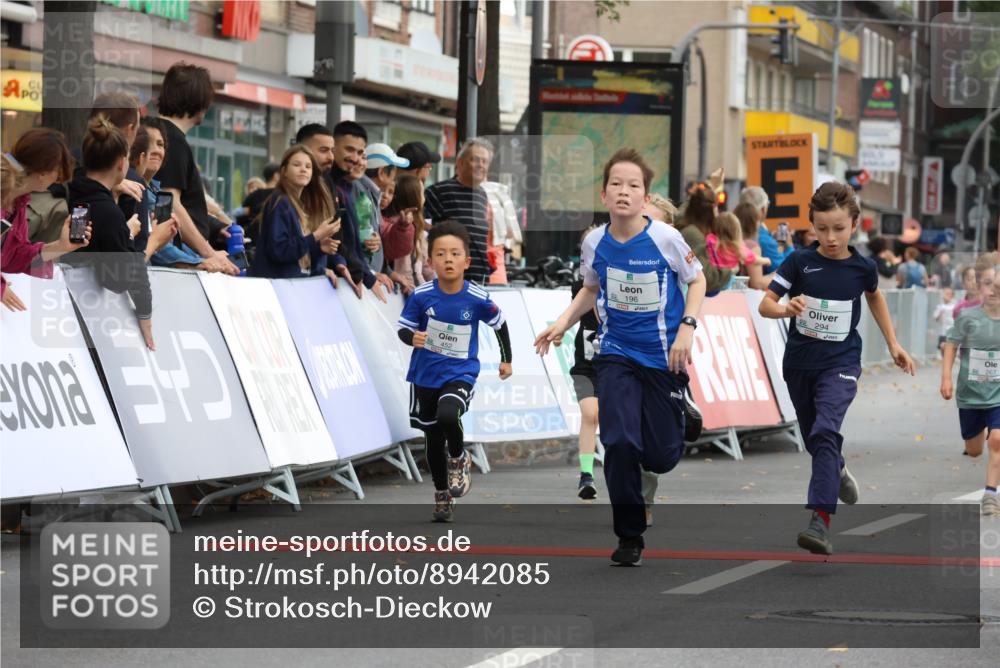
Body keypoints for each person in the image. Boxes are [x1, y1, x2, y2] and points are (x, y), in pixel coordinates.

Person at [534, 148, 707, 566]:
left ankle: (679, 412)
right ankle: (629, 535)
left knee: (661, 456)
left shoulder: (666, 238)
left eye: (634, 186)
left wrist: (687, 327)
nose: (624, 192)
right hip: (616, 354)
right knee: (620, 441)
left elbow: (697, 280)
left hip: (663, 359)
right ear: (604, 193)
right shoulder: (595, 242)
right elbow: (590, 289)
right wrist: (562, 322)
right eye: (617, 184)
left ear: (645, 197)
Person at [758, 181, 916, 556]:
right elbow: (765, 304)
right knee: (817, 437)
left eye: (839, 228)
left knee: (827, 429)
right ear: (812, 224)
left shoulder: (863, 268)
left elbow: (875, 298)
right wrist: (785, 309)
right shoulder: (799, 261)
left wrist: (893, 344)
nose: (830, 237)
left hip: (842, 363)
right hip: (799, 364)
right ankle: (838, 471)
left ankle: (820, 521)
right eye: (822, 228)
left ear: (855, 225)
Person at [397, 220, 513, 522]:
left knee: (450, 414)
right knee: (433, 440)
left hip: (461, 372)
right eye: (441, 254)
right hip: (425, 375)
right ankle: (442, 494)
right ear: (431, 260)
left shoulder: (476, 297)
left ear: (467, 261)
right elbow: (403, 329)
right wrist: (414, 338)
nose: (448, 259)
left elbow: (499, 323)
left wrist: (507, 359)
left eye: (455, 254)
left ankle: (460, 458)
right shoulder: (422, 296)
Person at [67, 116, 171, 351]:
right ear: (122, 164)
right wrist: (129, 233)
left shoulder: (72, 194)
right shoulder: (111, 214)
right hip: (88, 327)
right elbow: (118, 280)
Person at [154, 62, 238, 275]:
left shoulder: (160, 134)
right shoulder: (173, 140)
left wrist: (214, 227)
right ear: (198, 99)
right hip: (182, 261)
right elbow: (171, 204)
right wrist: (209, 253)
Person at [940, 252, 1000, 515]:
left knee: (997, 440)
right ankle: (975, 444)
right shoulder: (968, 317)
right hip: (971, 395)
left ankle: (990, 495)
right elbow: (951, 344)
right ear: (978, 284)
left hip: (998, 394)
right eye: (987, 283)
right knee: (974, 450)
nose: (993, 290)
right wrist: (945, 378)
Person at [1, 150, 89, 311]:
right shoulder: (13, 201)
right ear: (42, 173)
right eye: (57, 173)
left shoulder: (18, 204)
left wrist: (61, 246)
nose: (57, 180)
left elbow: (15, 256)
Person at [250, 145, 342, 281]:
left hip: (289, 285)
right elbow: (279, 251)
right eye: (296, 164)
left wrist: (318, 249)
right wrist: (316, 236)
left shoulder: (297, 205)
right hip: (276, 289)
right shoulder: (280, 202)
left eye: (308, 166)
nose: (303, 169)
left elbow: (296, 258)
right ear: (284, 171)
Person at [326, 121, 390, 302]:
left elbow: (350, 240)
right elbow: (336, 241)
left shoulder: (349, 188)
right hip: (337, 280)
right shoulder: (326, 185)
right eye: (349, 150)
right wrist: (365, 273)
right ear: (334, 147)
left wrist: (367, 272)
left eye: (360, 153)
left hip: (349, 277)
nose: (355, 158)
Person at [423, 137, 494, 285]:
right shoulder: (438, 192)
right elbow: (421, 233)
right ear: (460, 162)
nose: (481, 165)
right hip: (450, 283)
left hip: (481, 281)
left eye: (485, 162)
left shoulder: (483, 195)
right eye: (476, 160)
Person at [676, 183, 731, 294]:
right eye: (716, 207)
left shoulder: (686, 228)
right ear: (711, 210)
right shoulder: (693, 235)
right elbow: (707, 278)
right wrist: (730, 271)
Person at [382, 173, 425, 294]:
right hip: (402, 289)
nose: (424, 197)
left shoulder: (414, 224)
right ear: (413, 197)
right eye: (422, 193)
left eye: (390, 192)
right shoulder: (398, 225)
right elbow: (404, 267)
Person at [739, 186, 794, 269]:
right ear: (763, 209)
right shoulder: (765, 241)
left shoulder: (732, 230)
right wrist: (789, 247)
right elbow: (787, 270)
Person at [733, 200, 773, 290]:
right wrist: (778, 274)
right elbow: (757, 284)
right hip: (744, 299)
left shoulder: (730, 242)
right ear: (755, 223)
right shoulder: (752, 246)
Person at [934, 286, 956, 357]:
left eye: (949, 294)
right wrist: (940, 314)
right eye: (945, 293)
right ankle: (944, 364)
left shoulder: (954, 306)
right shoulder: (940, 306)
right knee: (942, 350)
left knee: (950, 351)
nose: (947, 296)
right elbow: (935, 317)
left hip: (952, 333)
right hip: (943, 333)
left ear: (952, 296)